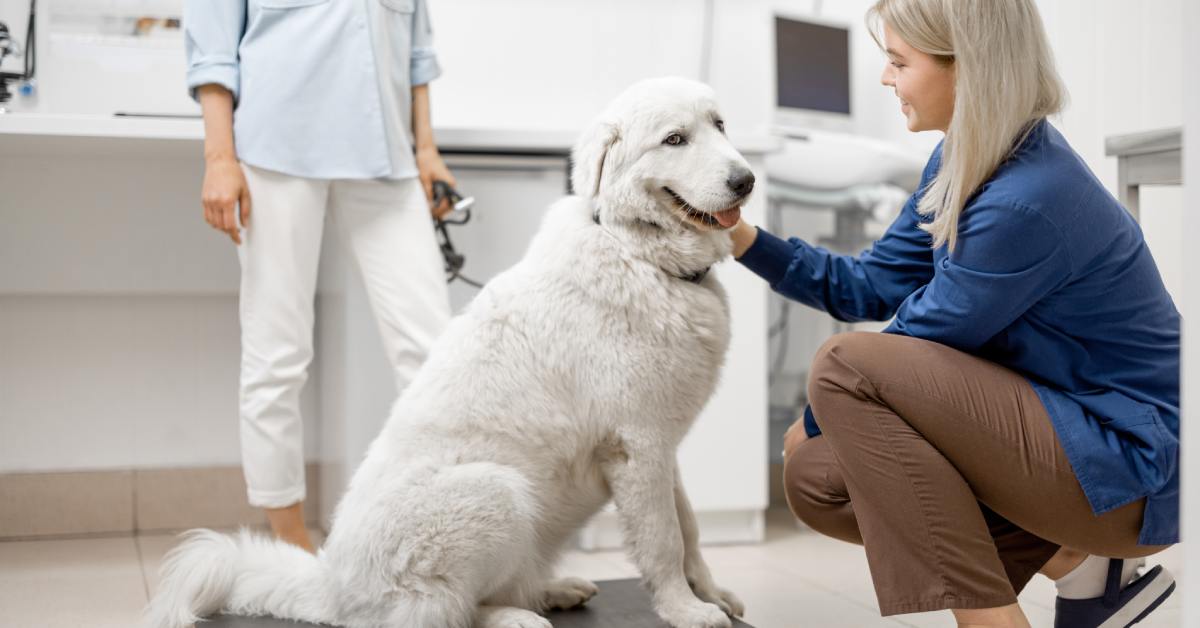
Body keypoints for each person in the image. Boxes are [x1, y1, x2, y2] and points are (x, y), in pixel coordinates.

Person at [732, 1, 1180, 626]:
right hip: (1063, 437)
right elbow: (867, 285)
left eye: (898, 62)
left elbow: (913, 341)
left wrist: (815, 414)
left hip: (1132, 468)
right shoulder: (961, 160)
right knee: (817, 479)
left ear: (968, 69)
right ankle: (1082, 568)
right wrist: (743, 239)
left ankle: (993, 620)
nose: (887, 79)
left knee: (840, 366)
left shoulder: (1029, 199)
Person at [184, 0, 456, 552]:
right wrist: (219, 158)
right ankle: (292, 546)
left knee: (438, 358)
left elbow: (415, 53)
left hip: (387, 160)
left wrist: (426, 149)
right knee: (277, 357)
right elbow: (213, 54)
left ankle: (449, 528)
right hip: (276, 153)